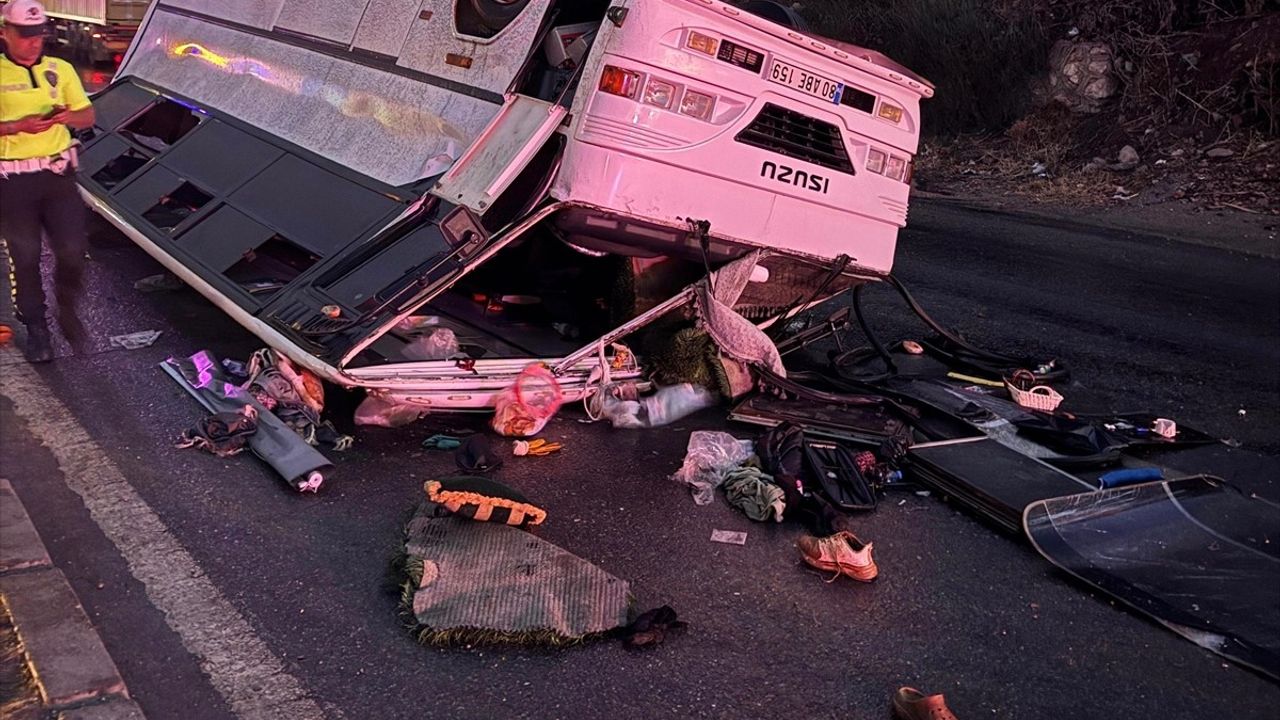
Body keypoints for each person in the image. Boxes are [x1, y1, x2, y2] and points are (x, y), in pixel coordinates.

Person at [0, 0, 95, 363]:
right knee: (24, 256)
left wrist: (64, 116)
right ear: (5, 32)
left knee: (72, 252)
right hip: (12, 182)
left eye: (38, 35)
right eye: (24, 35)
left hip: (57, 177)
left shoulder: (61, 68)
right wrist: (16, 127)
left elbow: (88, 116)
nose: (33, 42)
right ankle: (36, 326)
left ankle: (67, 309)